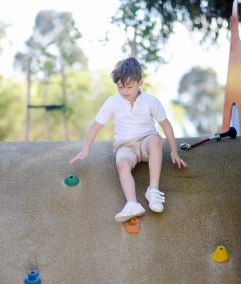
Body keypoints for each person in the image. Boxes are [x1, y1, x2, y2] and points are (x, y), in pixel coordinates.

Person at [70, 57, 187, 223]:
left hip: (146, 141)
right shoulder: (112, 102)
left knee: (155, 142)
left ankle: (152, 190)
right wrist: (85, 150)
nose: (125, 91)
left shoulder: (150, 101)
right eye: (120, 87)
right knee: (122, 164)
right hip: (126, 146)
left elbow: (166, 126)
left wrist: (174, 150)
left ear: (140, 82)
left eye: (129, 86)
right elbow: (96, 126)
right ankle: (132, 203)